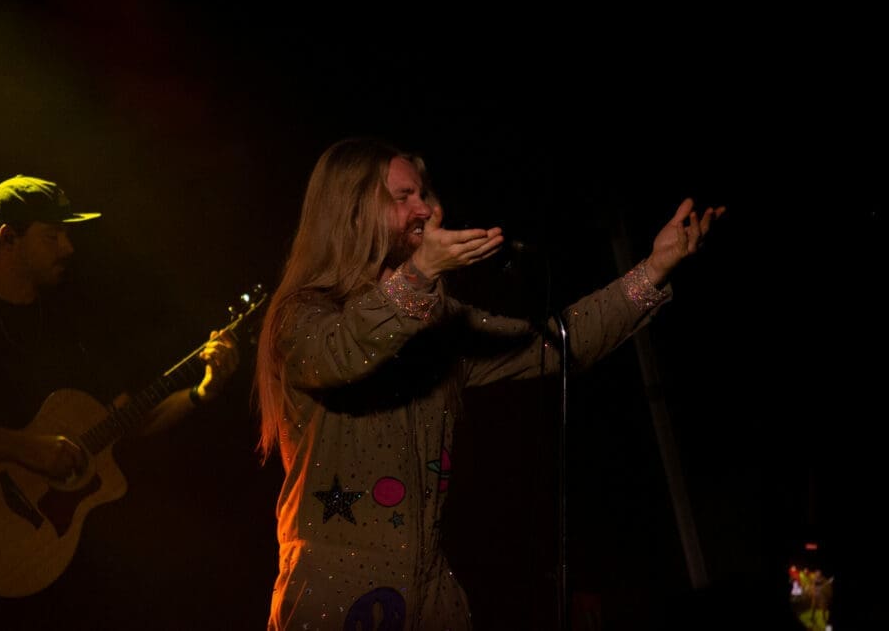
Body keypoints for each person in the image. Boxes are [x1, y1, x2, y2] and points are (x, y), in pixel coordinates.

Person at [254, 137, 723, 630]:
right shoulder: (302, 313)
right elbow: (340, 354)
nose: (425, 208)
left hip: (432, 597)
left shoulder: (439, 324)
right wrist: (418, 276)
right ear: (351, 211)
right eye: (403, 197)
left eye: (424, 194)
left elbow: (557, 343)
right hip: (334, 596)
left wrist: (654, 269)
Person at [0, 175, 238, 629]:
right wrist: (23, 448)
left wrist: (203, 390)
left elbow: (129, 418)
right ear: (8, 238)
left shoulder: (67, 326)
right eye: (52, 236)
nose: (68, 248)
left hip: (46, 568)